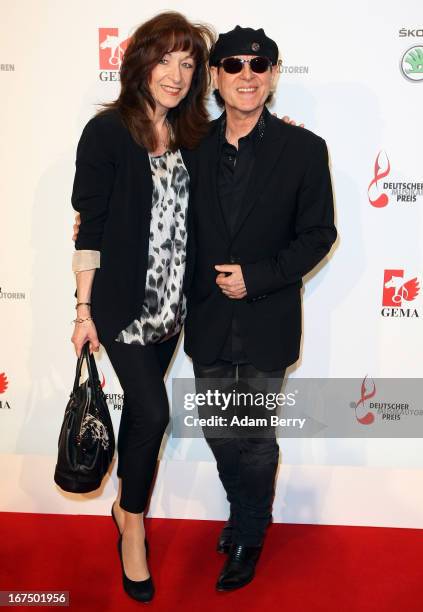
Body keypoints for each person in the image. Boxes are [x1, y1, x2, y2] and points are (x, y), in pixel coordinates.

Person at [183, 26, 337, 591]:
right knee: (219, 432)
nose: (246, 74)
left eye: (258, 64)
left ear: (273, 75)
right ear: (215, 77)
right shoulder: (190, 146)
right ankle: (249, 511)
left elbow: (319, 234)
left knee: (253, 434)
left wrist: (257, 278)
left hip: (267, 317)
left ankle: (248, 530)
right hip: (207, 319)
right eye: (232, 64)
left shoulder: (304, 149)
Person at [70, 12, 214, 603]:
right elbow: (89, 229)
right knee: (154, 414)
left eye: (188, 64)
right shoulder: (106, 134)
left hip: (171, 313)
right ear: (141, 63)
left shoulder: (193, 137)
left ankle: (125, 511)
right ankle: (133, 525)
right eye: (166, 60)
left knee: (141, 418)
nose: (176, 75)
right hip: (123, 308)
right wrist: (83, 309)